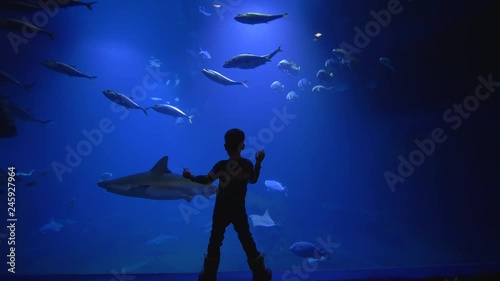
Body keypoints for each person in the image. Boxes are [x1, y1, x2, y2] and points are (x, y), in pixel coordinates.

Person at [183, 128, 272, 281]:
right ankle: (260, 273)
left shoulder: (221, 166)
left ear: (225, 147)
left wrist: (190, 176)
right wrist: (258, 163)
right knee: (247, 239)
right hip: (239, 209)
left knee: (215, 240)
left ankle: (209, 276)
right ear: (242, 146)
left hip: (221, 209)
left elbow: (206, 180)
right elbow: (253, 180)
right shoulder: (247, 165)